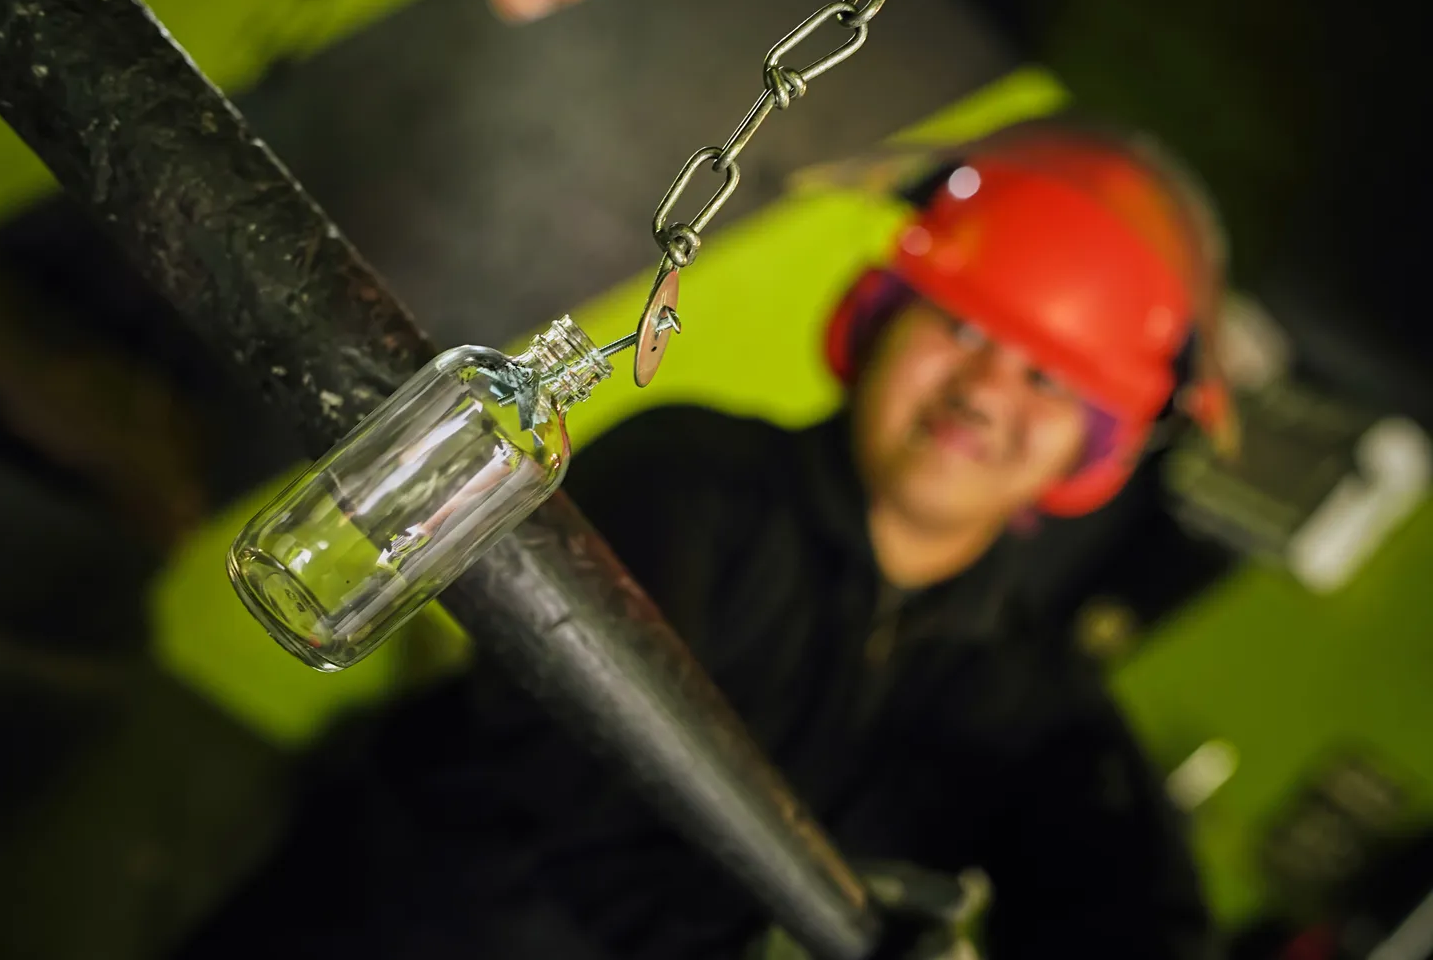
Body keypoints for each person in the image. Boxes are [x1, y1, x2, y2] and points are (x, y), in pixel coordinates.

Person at [178, 121, 1231, 959]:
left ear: (1091, 452)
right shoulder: (694, 477)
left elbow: (1127, 911)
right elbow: (569, 780)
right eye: (963, 326)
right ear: (879, 318)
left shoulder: (1035, 709)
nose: (987, 391)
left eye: (1048, 378)